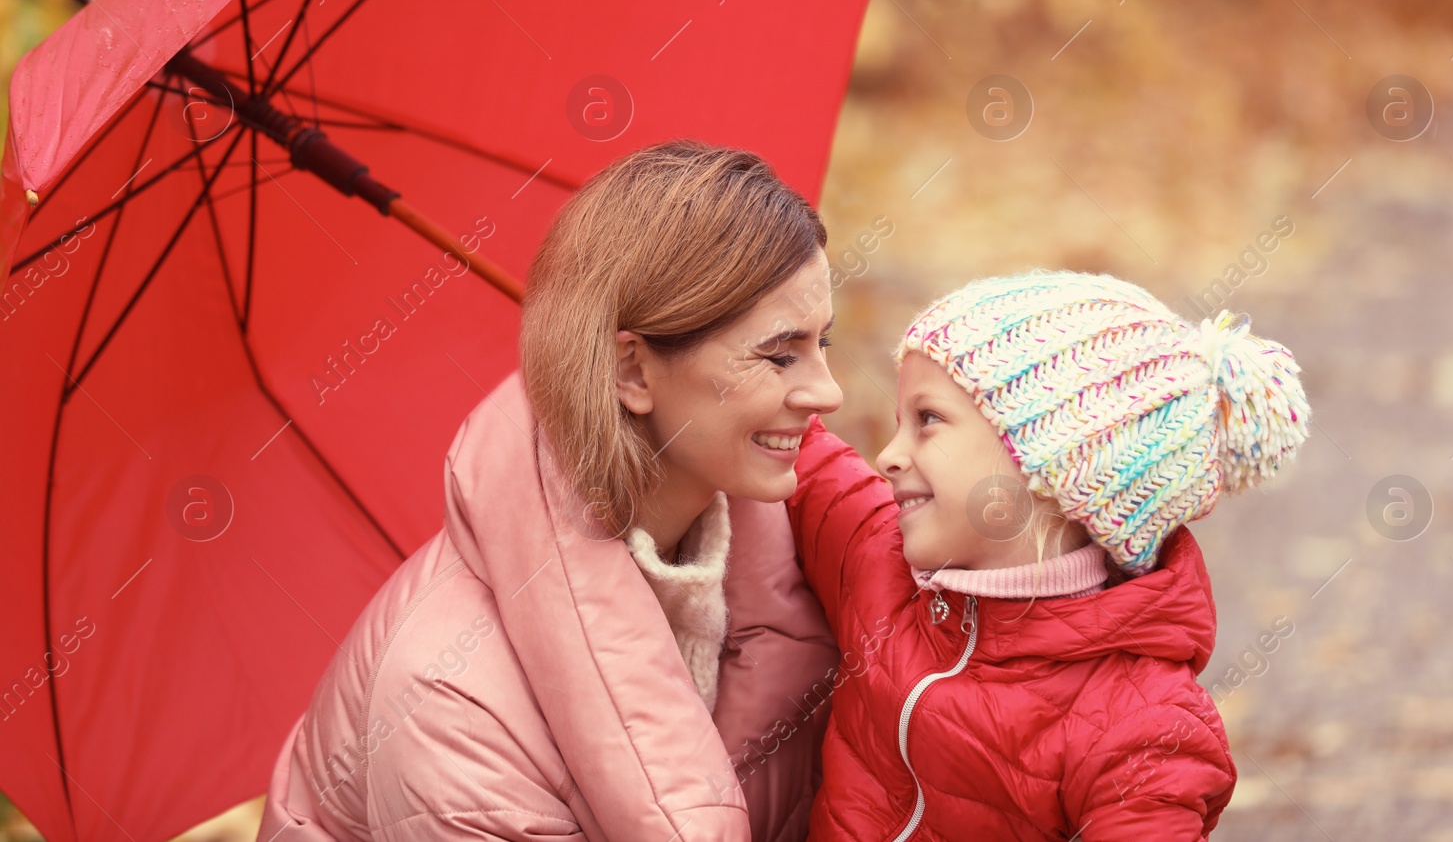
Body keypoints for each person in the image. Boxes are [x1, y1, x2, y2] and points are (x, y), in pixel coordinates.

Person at [258, 141, 844, 842]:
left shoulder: (803, 568)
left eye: (823, 344)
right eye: (779, 355)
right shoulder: (451, 706)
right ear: (632, 370)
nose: (827, 392)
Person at [787, 270, 1311, 841]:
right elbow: (804, 453)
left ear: (1047, 467)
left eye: (927, 420)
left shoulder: (1143, 728)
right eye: (898, 424)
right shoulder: (875, 558)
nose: (888, 455)